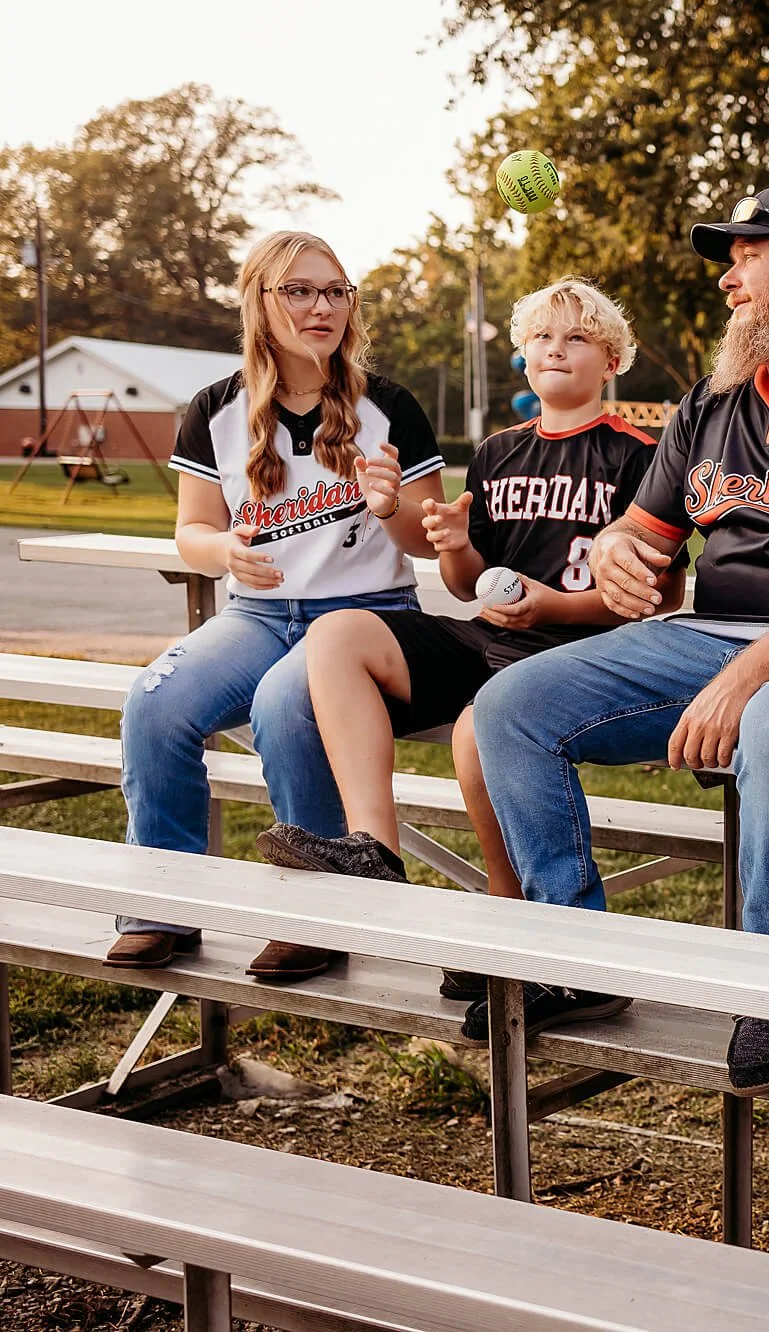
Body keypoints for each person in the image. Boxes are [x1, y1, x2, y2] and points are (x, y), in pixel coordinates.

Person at [464, 186, 769, 1075]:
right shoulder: (713, 400)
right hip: (706, 635)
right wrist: (618, 553)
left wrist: (743, 679)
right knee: (509, 705)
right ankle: (575, 955)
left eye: (746, 253)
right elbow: (644, 530)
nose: (727, 277)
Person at [253, 278, 679, 989]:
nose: (556, 349)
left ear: (612, 362)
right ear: (522, 357)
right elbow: (464, 583)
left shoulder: (638, 455)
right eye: (542, 337)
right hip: (490, 636)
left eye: (577, 338)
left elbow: (661, 594)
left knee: (478, 729)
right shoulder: (497, 451)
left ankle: (507, 907)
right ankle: (372, 849)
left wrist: (553, 607)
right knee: (338, 636)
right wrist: (453, 542)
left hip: (577, 653)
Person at [108, 230, 445, 970]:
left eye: (335, 291)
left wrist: (391, 508)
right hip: (258, 619)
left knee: (282, 707)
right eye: (298, 290)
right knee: (153, 704)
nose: (321, 306)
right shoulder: (215, 408)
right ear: (260, 302)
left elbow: (430, 545)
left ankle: (318, 914)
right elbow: (191, 532)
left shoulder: (388, 406)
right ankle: (163, 905)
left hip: (366, 618)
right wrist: (222, 550)